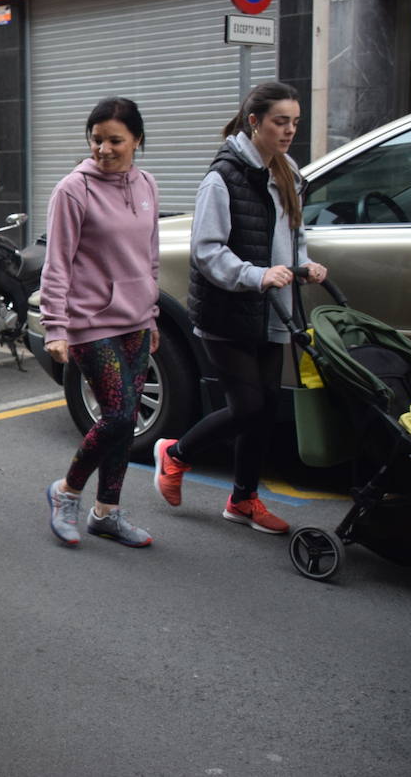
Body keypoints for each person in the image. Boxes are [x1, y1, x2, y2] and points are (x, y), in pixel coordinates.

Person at [153, 81, 327, 535]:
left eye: (295, 122)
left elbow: (293, 236)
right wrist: (257, 275)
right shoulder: (222, 177)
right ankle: (175, 455)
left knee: (266, 409)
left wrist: (302, 265)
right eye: (280, 121)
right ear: (255, 122)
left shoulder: (287, 170)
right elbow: (207, 251)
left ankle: (243, 500)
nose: (289, 131)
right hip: (226, 311)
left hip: (273, 311)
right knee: (247, 405)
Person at [40, 97, 160, 548]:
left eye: (115, 140)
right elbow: (57, 265)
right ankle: (66, 491)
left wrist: (152, 317)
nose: (104, 149)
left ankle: (107, 511)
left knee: (127, 421)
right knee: (116, 415)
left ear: (137, 141)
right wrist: (56, 327)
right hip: (90, 322)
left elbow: (149, 258)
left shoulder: (147, 184)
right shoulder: (73, 190)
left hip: (135, 321)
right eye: (97, 140)